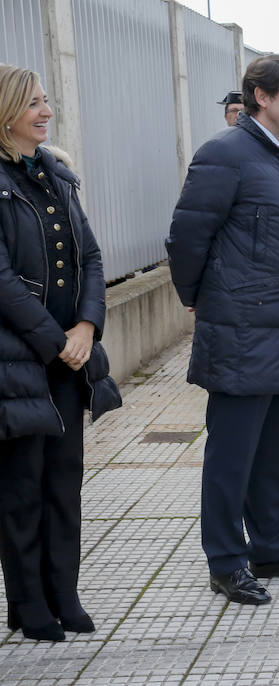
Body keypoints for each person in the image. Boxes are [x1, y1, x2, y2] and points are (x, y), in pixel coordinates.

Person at [166, 55, 279, 606]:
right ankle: (226, 561)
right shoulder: (225, 154)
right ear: (261, 97)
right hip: (241, 331)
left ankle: (269, 545)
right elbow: (187, 239)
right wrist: (201, 299)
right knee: (232, 455)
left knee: (278, 452)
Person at [0, 64, 121, 641]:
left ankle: (63, 594)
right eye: (34, 104)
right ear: (5, 111)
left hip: (70, 355)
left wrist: (87, 327)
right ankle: (29, 606)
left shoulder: (57, 175)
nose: (45, 112)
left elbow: (92, 259)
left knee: (63, 481)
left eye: (47, 102)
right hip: (18, 360)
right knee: (21, 487)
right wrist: (57, 340)